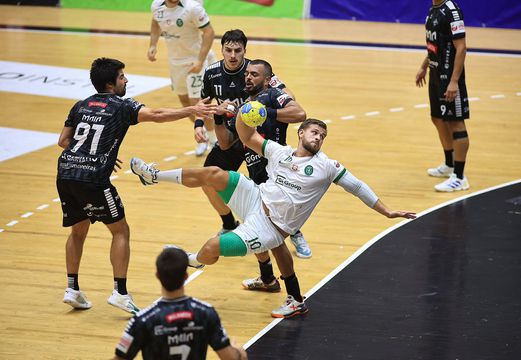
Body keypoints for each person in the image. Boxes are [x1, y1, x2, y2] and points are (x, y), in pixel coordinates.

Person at [129, 118, 416, 318]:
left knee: (211, 248)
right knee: (213, 173)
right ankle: (154, 176)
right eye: (314, 132)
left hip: (270, 227)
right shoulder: (280, 152)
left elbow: (358, 187)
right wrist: (243, 113)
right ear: (301, 134)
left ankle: (194, 261)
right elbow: (247, 136)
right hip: (255, 198)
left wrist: (387, 211)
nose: (318, 138)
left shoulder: (327, 167)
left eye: (323, 136)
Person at [57, 57, 215, 314]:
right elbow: (156, 115)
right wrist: (191, 110)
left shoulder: (81, 105)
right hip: (93, 179)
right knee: (120, 231)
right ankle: (120, 293)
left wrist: (90, 152)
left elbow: (63, 140)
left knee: (77, 230)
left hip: (65, 173)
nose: (126, 80)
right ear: (110, 83)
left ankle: (72, 288)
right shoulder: (121, 106)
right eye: (122, 77)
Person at [197, 29, 312, 259]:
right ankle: (229, 223)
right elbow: (205, 100)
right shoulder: (211, 73)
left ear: (244, 51)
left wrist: (259, 109)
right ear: (221, 51)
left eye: (237, 51)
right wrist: (199, 123)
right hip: (232, 134)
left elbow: (289, 97)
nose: (232, 55)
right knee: (207, 178)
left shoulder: (254, 72)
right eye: (228, 50)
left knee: (273, 191)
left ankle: (295, 231)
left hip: (258, 136)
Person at [113, 247, 248, 360]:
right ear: (186, 276)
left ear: (158, 276)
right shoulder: (206, 313)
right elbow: (230, 357)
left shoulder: (143, 320)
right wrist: (240, 353)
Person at [148, 0, 218, 156]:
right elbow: (155, 22)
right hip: (175, 63)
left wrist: (200, 60)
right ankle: (203, 136)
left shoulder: (192, 7)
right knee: (185, 104)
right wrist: (153, 44)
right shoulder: (156, 6)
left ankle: (214, 141)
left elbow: (209, 32)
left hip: (195, 61)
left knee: (198, 104)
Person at [415, 0, 470, 192]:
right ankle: (449, 164)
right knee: (437, 118)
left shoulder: (452, 12)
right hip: (435, 74)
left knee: (456, 122)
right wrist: (424, 65)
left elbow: (461, 48)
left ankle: (460, 177)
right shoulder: (433, 10)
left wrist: (454, 81)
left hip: (450, 77)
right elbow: (434, 44)